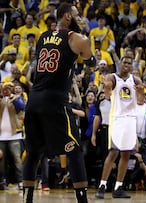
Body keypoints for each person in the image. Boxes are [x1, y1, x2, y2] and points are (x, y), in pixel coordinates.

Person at [22, 3, 97, 203]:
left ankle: (27, 198)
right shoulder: (79, 39)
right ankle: (82, 199)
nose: (80, 18)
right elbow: (91, 63)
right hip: (55, 100)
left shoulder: (43, 37)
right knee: (73, 149)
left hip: (34, 99)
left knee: (33, 152)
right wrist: (94, 59)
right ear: (66, 17)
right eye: (76, 15)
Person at [95, 55, 145, 199]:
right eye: (124, 62)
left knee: (126, 154)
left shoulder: (136, 80)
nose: (126, 65)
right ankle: (102, 186)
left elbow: (141, 102)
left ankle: (118, 187)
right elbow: (107, 94)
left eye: (129, 63)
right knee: (113, 153)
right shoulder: (112, 77)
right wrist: (107, 87)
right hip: (116, 119)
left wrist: (141, 92)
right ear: (119, 64)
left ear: (132, 66)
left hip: (130, 119)